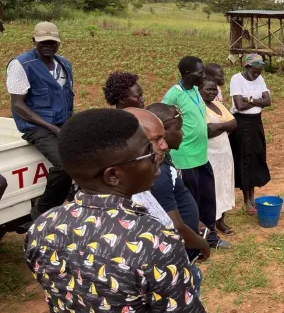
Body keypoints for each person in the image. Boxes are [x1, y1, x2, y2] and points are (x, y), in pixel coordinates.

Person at [24, 108, 205, 312]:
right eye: (147, 152)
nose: (156, 157)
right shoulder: (156, 242)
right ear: (113, 176)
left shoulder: (42, 227)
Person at [7, 22, 74, 219]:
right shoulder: (21, 65)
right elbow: (18, 105)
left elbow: (67, 97)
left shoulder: (64, 65)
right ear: (34, 41)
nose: (48, 45)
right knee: (63, 165)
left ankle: (68, 204)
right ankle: (42, 212)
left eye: (52, 42)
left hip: (61, 123)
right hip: (36, 125)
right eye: (43, 42)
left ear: (58, 43)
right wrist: (52, 128)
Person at [147, 103, 214, 295]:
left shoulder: (164, 161)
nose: (182, 133)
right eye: (179, 128)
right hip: (176, 257)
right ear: (163, 131)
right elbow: (172, 225)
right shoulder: (159, 174)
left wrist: (196, 222)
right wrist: (202, 244)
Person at [163, 56, 226, 249]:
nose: (204, 76)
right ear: (188, 74)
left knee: (208, 200)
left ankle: (211, 238)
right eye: (200, 73)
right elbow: (162, 121)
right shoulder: (174, 95)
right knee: (191, 205)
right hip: (184, 158)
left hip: (202, 156)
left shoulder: (196, 91)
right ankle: (193, 244)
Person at [229, 54, 271, 215]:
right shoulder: (236, 79)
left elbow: (268, 101)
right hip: (241, 124)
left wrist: (249, 99)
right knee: (244, 160)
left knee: (255, 158)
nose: (257, 75)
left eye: (259, 72)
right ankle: (246, 199)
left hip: (256, 123)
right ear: (246, 67)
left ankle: (252, 195)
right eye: (254, 71)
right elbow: (239, 105)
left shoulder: (259, 79)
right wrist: (256, 100)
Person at [124, 108, 176, 230]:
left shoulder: (139, 184)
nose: (165, 146)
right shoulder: (125, 202)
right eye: (157, 139)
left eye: (163, 138)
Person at [199, 78, 237, 235]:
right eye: (208, 89)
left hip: (224, 153)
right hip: (210, 154)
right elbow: (207, 132)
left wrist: (219, 126)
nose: (212, 92)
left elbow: (234, 123)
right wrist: (225, 126)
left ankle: (221, 220)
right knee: (212, 188)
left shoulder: (219, 105)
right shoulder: (199, 108)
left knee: (224, 185)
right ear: (199, 90)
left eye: (214, 89)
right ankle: (210, 223)